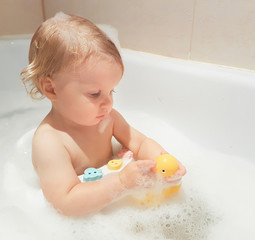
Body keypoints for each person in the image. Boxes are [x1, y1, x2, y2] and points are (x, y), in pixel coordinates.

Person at [20, 12, 186, 217]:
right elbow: (65, 203)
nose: (108, 102)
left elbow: (141, 143)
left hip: (114, 207)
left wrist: (162, 163)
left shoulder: (109, 119)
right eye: (95, 94)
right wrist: (122, 183)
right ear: (51, 89)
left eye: (111, 91)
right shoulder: (51, 142)